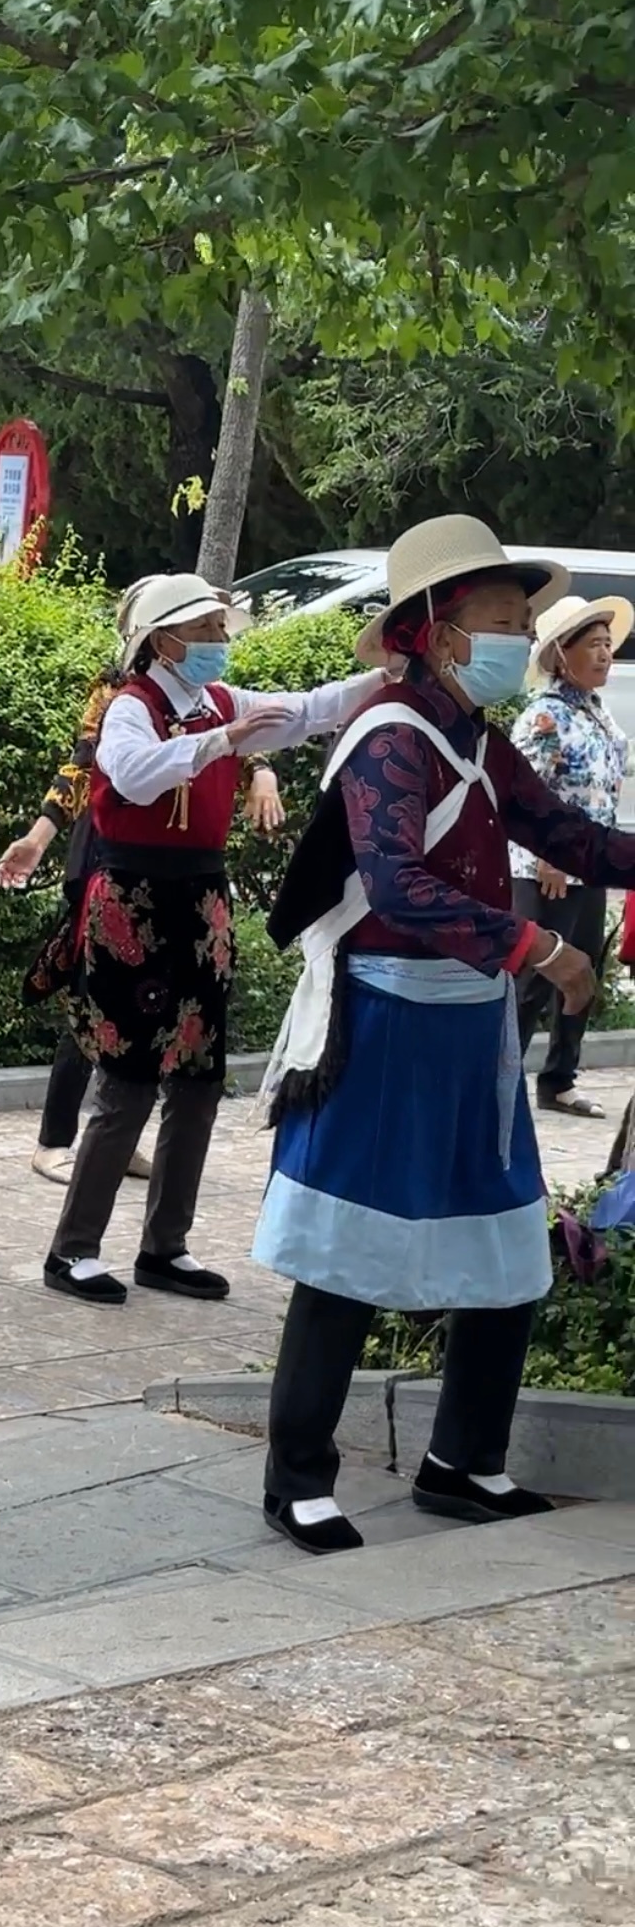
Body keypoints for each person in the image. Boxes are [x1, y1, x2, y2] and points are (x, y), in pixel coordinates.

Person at [253, 515, 635, 1556]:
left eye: (524, 616)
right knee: (344, 1244)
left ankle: (463, 1460)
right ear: (441, 630)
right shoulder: (391, 738)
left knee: (505, 1242)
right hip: (383, 1020)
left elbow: (571, 836)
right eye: (504, 618)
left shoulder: (479, 739)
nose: (523, 633)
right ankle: (298, 1477)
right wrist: (538, 950)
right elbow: (398, 886)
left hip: (468, 1029)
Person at [43, 572, 385, 1306]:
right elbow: (131, 777)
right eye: (206, 632)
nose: (220, 645)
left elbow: (307, 710)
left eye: (220, 631)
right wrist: (219, 743)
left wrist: (384, 677)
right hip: (130, 899)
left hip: (200, 898)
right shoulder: (131, 708)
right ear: (164, 641)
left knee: (197, 1081)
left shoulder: (219, 703)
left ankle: (166, 1244)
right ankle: (73, 1249)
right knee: (128, 1082)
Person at [0, 660, 285, 1184]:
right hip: (110, 862)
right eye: (199, 622)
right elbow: (80, 766)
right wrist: (37, 840)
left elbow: (237, 739)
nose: (212, 635)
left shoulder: (209, 695)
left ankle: (120, 1140)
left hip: (180, 875)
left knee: (155, 1014)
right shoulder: (119, 693)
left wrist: (262, 771)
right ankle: (54, 1140)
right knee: (92, 1000)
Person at [509, 592, 632, 1120]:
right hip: (546, 870)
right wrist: (548, 855)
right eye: (594, 645)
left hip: (591, 865)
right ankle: (499, 1074)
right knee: (537, 976)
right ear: (562, 654)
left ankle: (559, 1078)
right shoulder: (544, 717)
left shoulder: (599, 713)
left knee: (584, 974)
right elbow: (524, 791)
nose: (605, 654)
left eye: (609, 644)